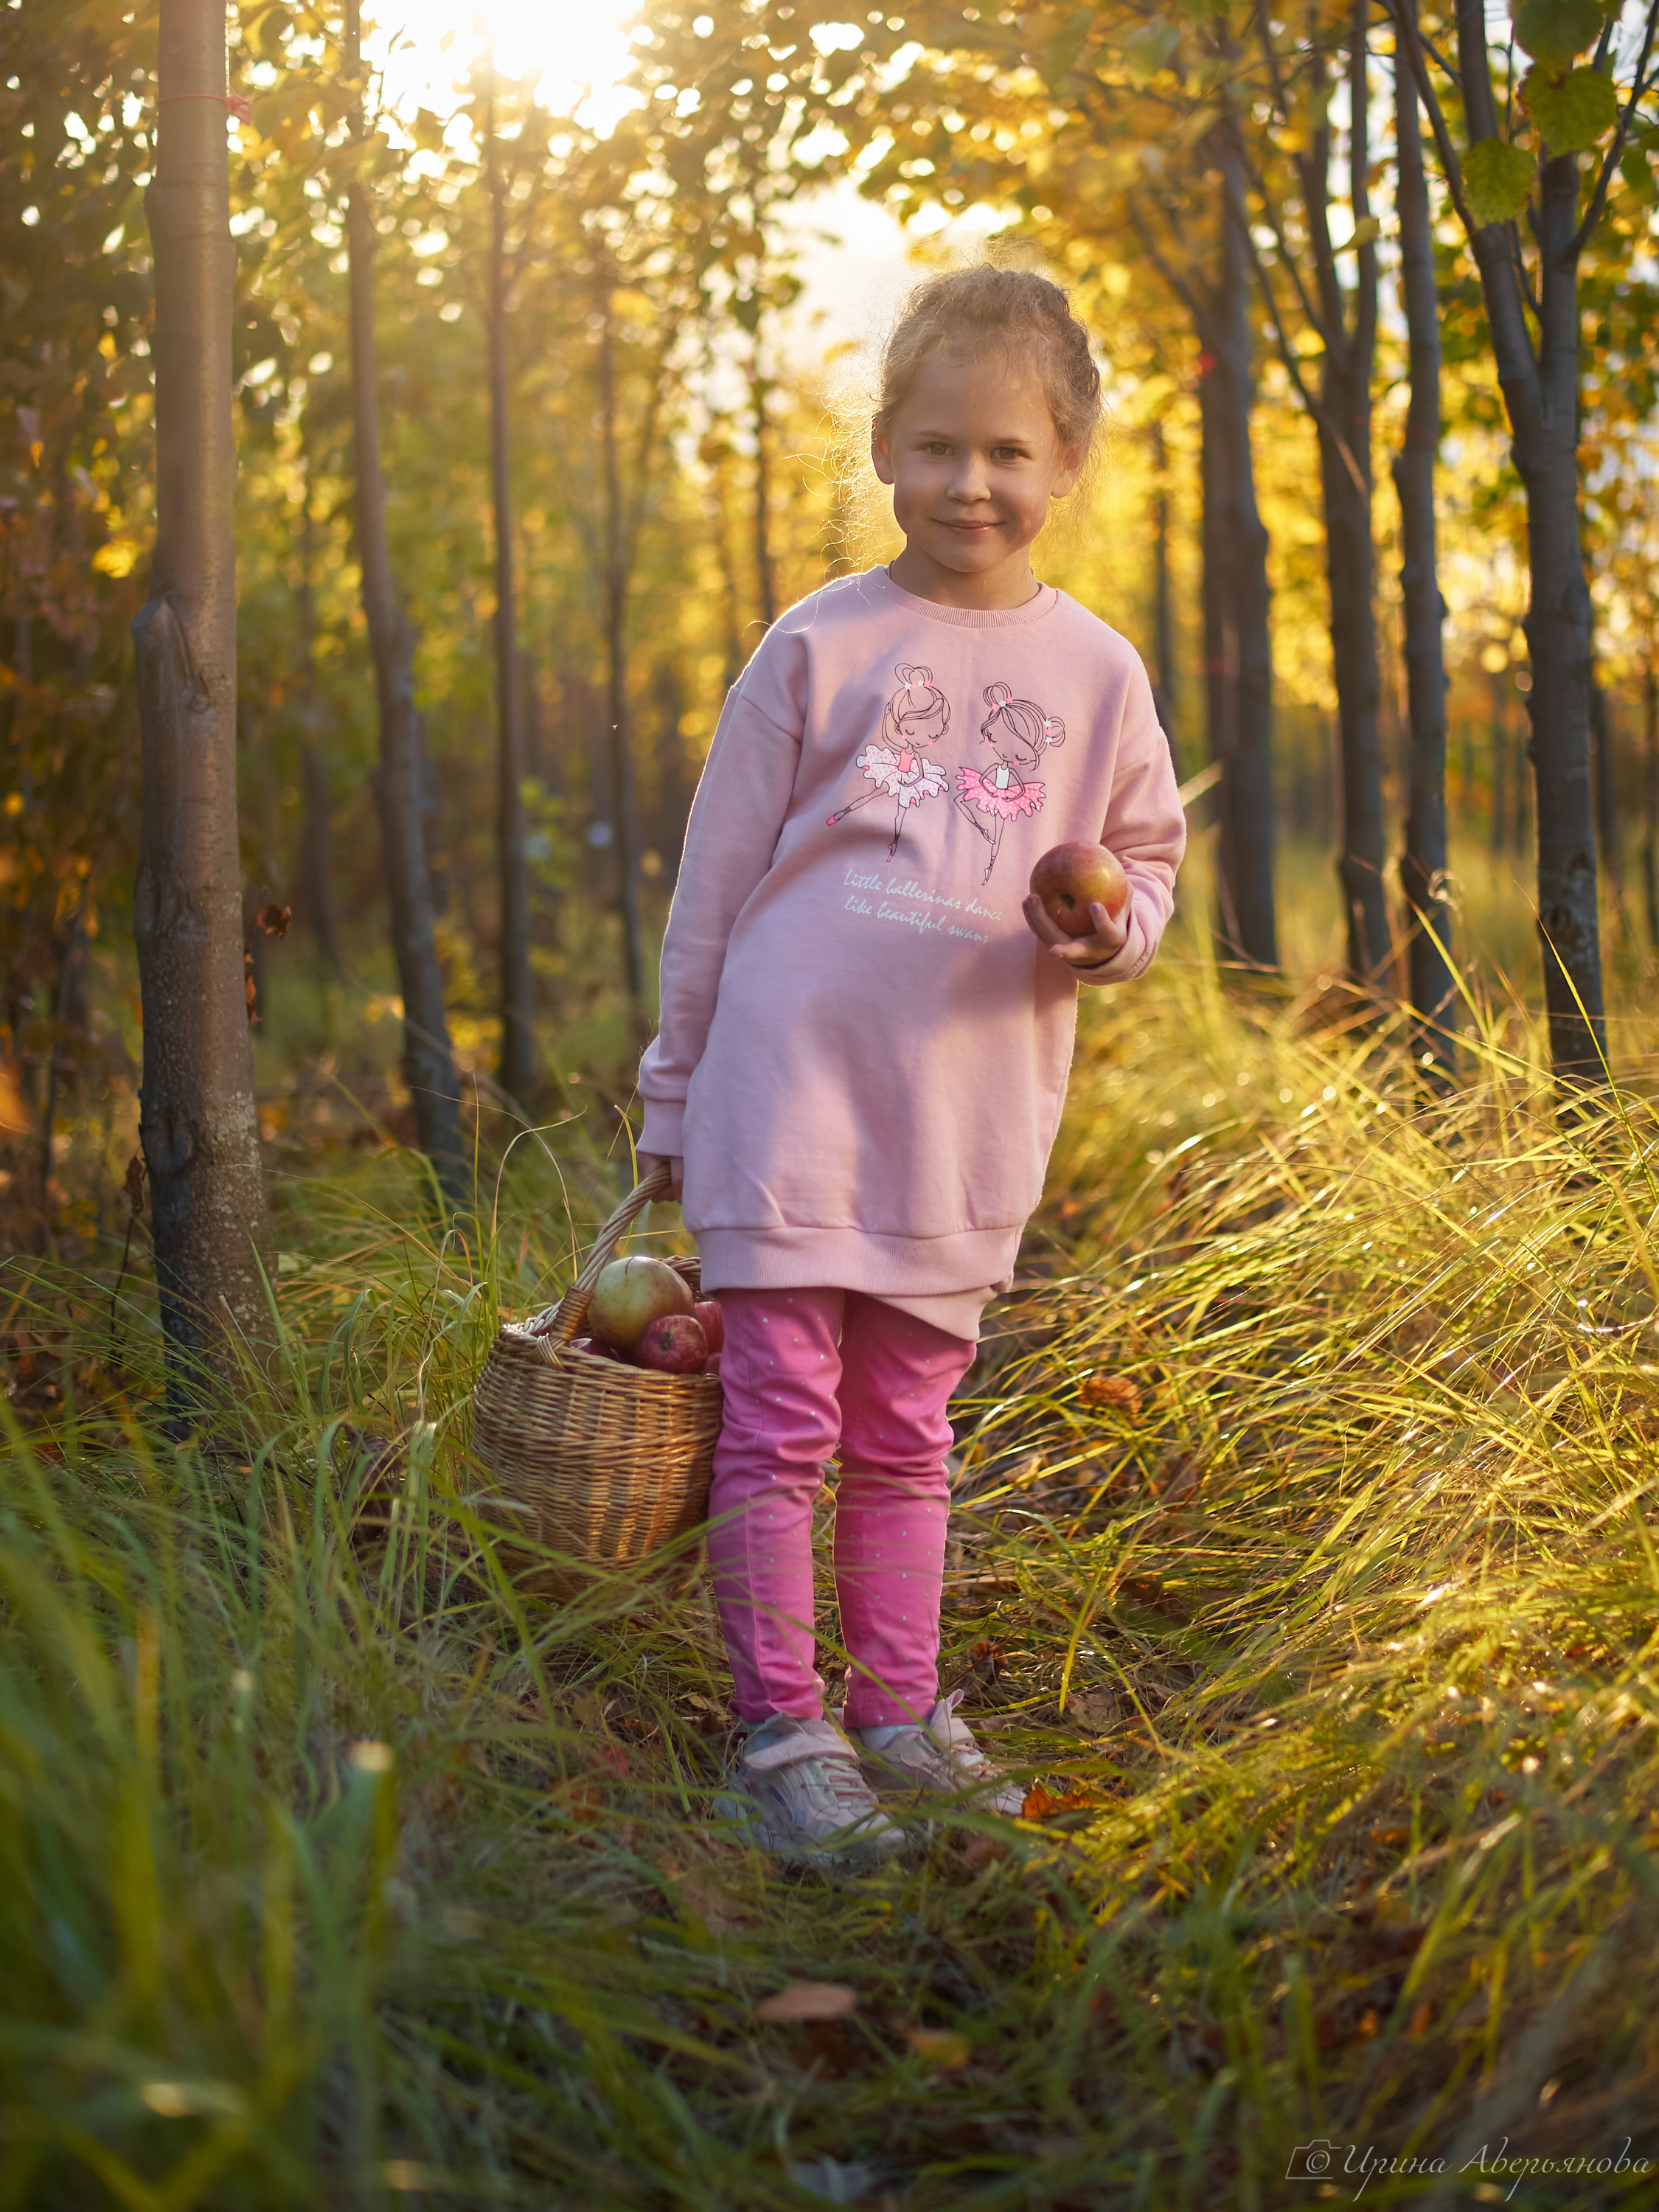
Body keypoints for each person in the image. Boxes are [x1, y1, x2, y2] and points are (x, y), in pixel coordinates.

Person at [637, 263, 1186, 1868]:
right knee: (780, 1414)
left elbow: (1145, 863)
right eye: (940, 446)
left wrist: (1114, 931)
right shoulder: (817, 645)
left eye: (1011, 453)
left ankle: (894, 1706)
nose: (973, 483)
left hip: (963, 1122)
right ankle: (781, 1730)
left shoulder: (1098, 674)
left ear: (1067, 464)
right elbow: (713, 886)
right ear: (884, 447)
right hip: (788, 1094)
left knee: (909, 1432)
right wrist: (675, 1092)